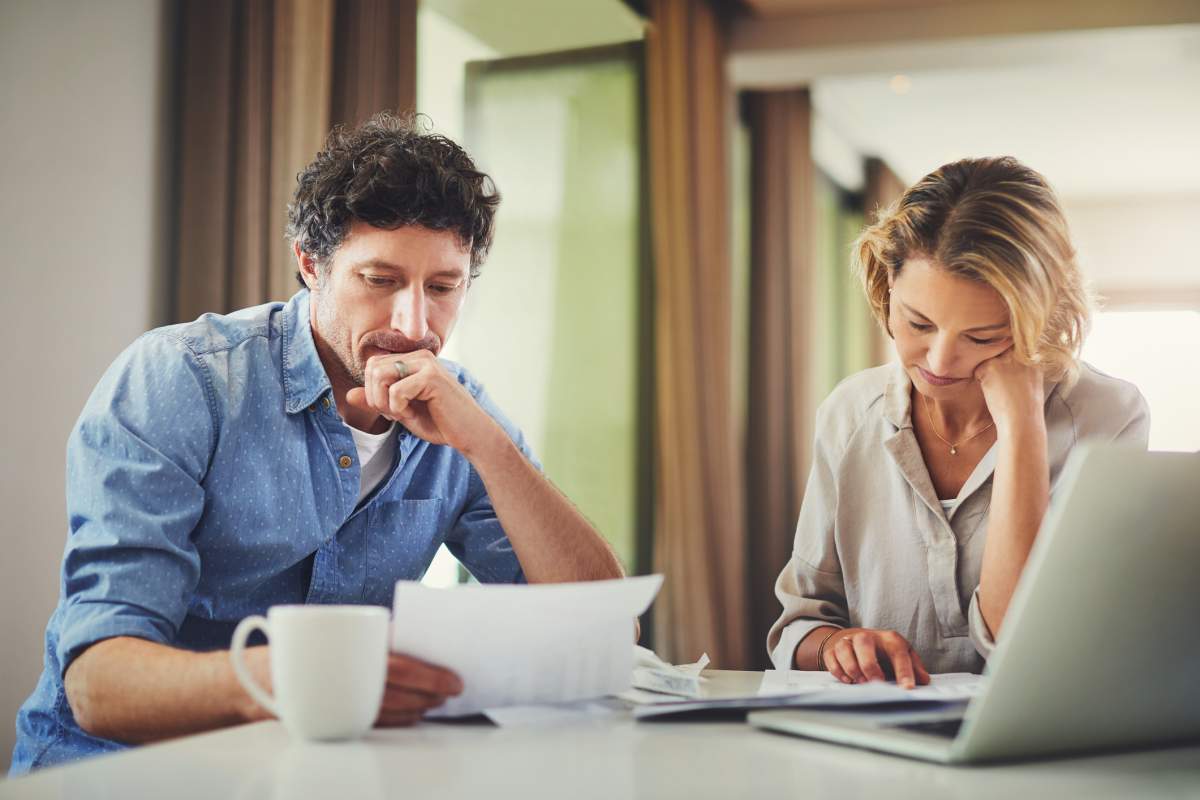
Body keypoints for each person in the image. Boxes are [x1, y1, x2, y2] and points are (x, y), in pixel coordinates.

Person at [11, 113, 625, 774]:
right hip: (114, 776)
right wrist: (295, 680)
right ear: (311, 264)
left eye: (443, 288)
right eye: (380, 280)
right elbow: (100, 687)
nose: (414, 324)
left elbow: (607, 630)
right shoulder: (182, 379)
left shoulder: (462, 411)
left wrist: (492, 451)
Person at [767, 156, 1149, 688]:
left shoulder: (1109, 417)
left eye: (984, 336)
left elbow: (1022, 643)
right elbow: (799, 624)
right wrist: (837, 645)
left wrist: (1022, 429)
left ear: (1040, 318)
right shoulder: (850, 412)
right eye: (918, 323)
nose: (940, 362)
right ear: (887, 284)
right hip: (877, 748)